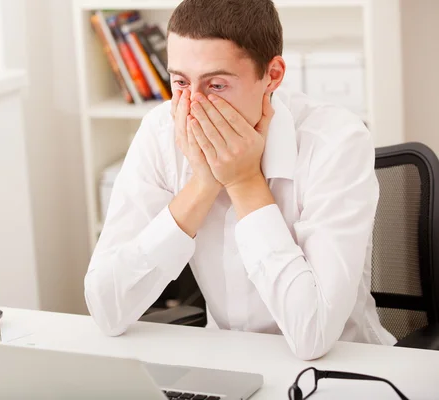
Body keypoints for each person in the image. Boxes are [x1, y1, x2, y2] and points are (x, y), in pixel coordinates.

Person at [84, 0, 396, 360]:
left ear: (273, 75)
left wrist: (244, 181)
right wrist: (202, 185)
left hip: (343, 369)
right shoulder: (160, 133)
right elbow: (106, 309)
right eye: (181, 82)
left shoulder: (337, 141)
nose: (193, 105)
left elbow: (313, 335)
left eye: (216, 85)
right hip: (226, 362)